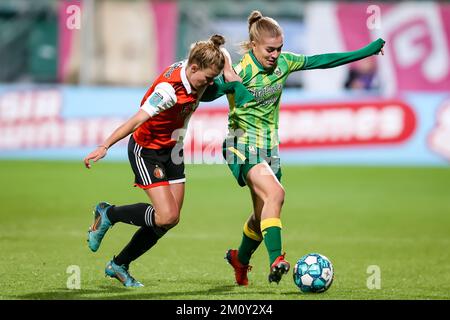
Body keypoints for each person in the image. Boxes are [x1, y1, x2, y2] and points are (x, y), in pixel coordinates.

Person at [221, 10, 385, 286]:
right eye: (270, 49)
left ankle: (240, 259)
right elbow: (212, 89)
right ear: (253, 46)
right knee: (277, 193)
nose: (275, 54)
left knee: (263, 217)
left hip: (268, 148)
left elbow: (322, 61)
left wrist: (364, 52)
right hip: (240, 143)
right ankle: (277, 259)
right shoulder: (242, 71)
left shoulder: (285, 63)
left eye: (279, 48)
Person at [83, 34, 253, 287]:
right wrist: (105, 145)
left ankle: (119, 264)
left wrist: (228, 75)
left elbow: (220, 52)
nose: (208, 85)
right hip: (147, 150)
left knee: (170, 220)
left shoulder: (202, 60)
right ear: (193, 68)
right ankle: (108, 213)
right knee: (165, 215)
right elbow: (136, 120)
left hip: (174, 148)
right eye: (206, 79)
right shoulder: (167, 91)